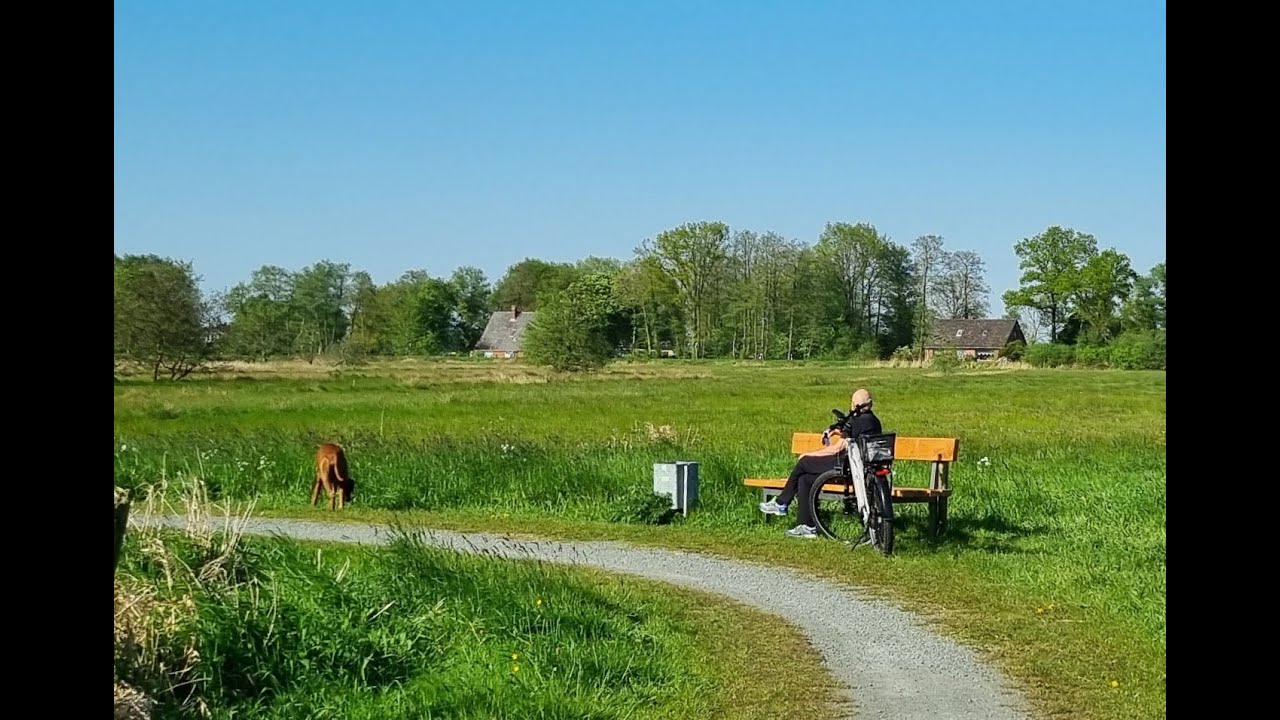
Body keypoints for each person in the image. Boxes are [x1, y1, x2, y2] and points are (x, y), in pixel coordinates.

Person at [759, 388, 882, 538]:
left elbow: (836, 449)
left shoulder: (857, 422)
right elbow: (849, 435)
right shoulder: (873, 421)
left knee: (804, 463)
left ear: (855, 404)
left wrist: (809, 454)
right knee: (805, 480)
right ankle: (806, 526)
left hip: (847, 468)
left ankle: (781, 503)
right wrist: (836, 431)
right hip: (860, 469)